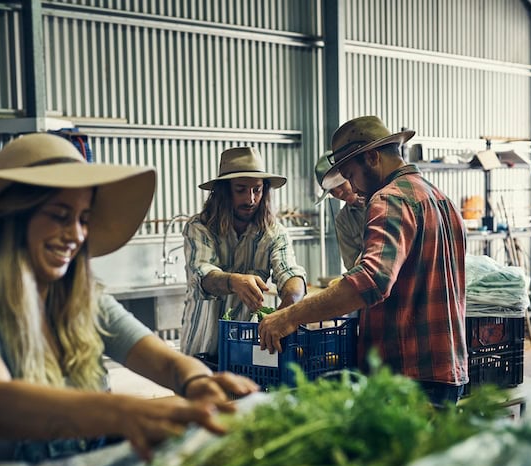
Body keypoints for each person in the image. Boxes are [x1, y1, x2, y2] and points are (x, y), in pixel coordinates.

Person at [0, 133, 258, 466]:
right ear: (12, 219)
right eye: (60, 215)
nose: (77, 234)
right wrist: (124, 413)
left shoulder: (84, 302)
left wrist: (199, 383)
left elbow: (166, 363)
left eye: (83, 218)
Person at [259, 116, 468, 405]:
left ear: (371, 157)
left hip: (406, 375)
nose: (353, 189)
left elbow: (371, 281)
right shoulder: (441, 200)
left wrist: (289, 316)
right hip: (446, 367)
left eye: (351, 175)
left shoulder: (390, 199)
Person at [180, 146, 308, 360]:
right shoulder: (199, 227)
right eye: (240, 189)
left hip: (247, 350)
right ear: (223, 191)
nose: (250, 199)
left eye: (257, 190)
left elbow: (290, 273)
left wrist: (287, 312)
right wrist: (233, 282)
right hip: (201, 348)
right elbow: (202, 273)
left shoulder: (274, 232)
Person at [314, 150, 367, 271]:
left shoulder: (384, 200)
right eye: (331, 191)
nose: (338, 193)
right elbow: (352, 266)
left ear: (350, 174)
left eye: (339, 184)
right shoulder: (343, 221)